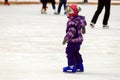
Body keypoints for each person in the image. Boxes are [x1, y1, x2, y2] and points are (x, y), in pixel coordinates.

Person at [62, 4, 87, 73]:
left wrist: (66, 38)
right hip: (79, 41)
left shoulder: (72, 21)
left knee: (69, 52)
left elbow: (71, 31)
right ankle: (80, 65)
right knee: (76, 52)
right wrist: (83, 30)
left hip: (73, 41)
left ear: (71, 13)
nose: (66, 13)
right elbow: (83, 26)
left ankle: (72, 66)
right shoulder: (79, 19)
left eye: (67, 12)